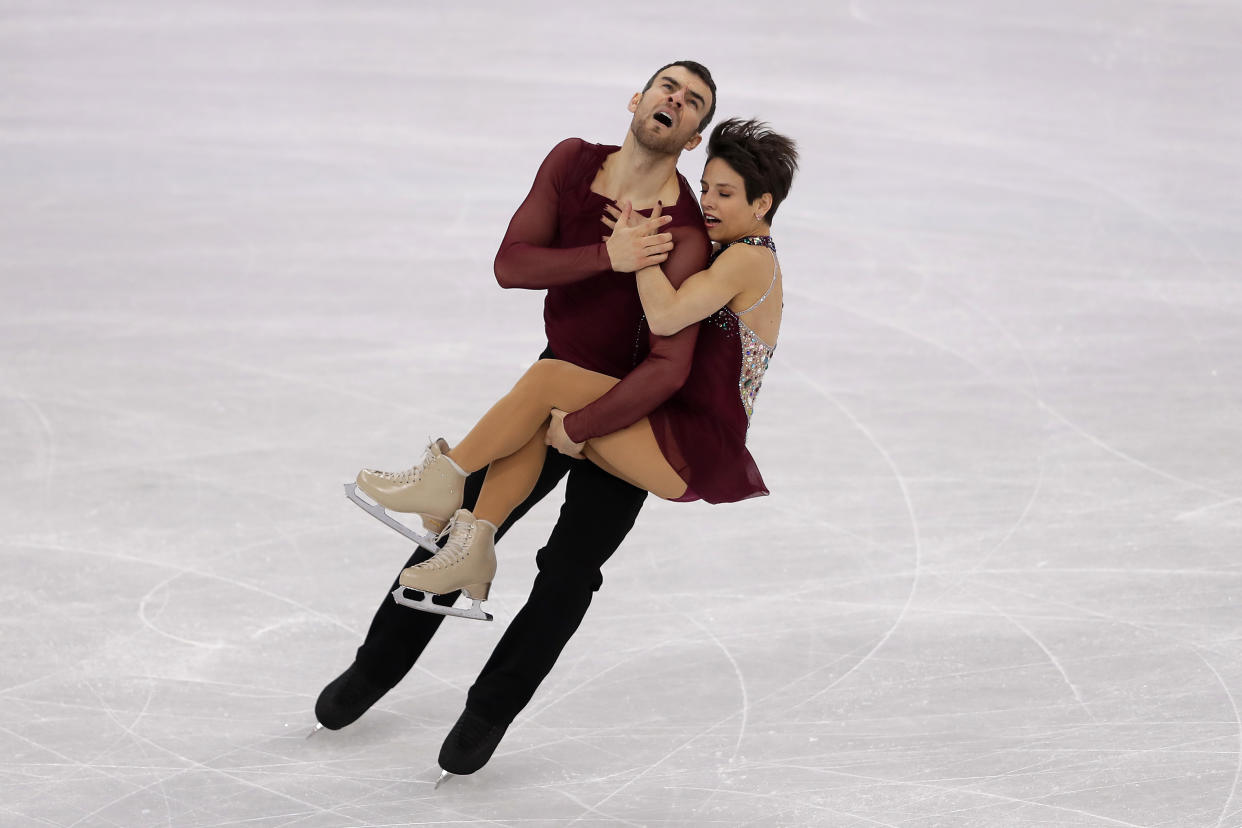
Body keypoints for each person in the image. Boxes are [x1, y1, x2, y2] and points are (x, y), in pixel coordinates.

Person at [315, 60, 718, 779]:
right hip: (551, 378)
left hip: (630, 411)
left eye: (693, 104)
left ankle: (488, 713)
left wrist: (588, 421)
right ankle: (373, 670)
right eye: (668, 87)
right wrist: (607, 255)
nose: (675, 102)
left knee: (568, 572)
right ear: (637, 99)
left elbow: (667, 364)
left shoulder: (686, 233)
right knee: (466, 524)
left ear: (692, 139)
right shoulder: (570, 163)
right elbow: (511, 263)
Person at [360, 117, 799, 611]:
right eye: (704, 188)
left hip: (690, 445)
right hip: (669, 427)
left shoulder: (751, 259)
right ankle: (473, 545)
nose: (708, 202)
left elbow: (665, 313)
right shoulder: (727, 251)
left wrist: (641, 252)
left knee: (548, 379)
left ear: (763, 204)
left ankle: (447, 479)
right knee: (537, 417)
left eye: (725, 193)